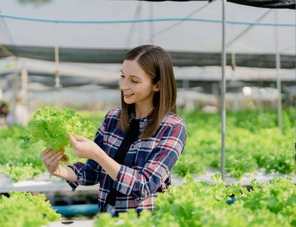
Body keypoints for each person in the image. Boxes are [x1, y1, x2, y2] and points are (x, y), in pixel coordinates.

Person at [41, 45, 187, 216]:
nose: (124, 85)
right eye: (122, 76)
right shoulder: (113, 118)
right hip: (107, 217)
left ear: (158, 85)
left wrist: (98, 155)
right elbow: (92, 172)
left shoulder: (172, 127)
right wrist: (57, 170)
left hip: (143, 220)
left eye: (134, 80)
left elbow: (144, 186)